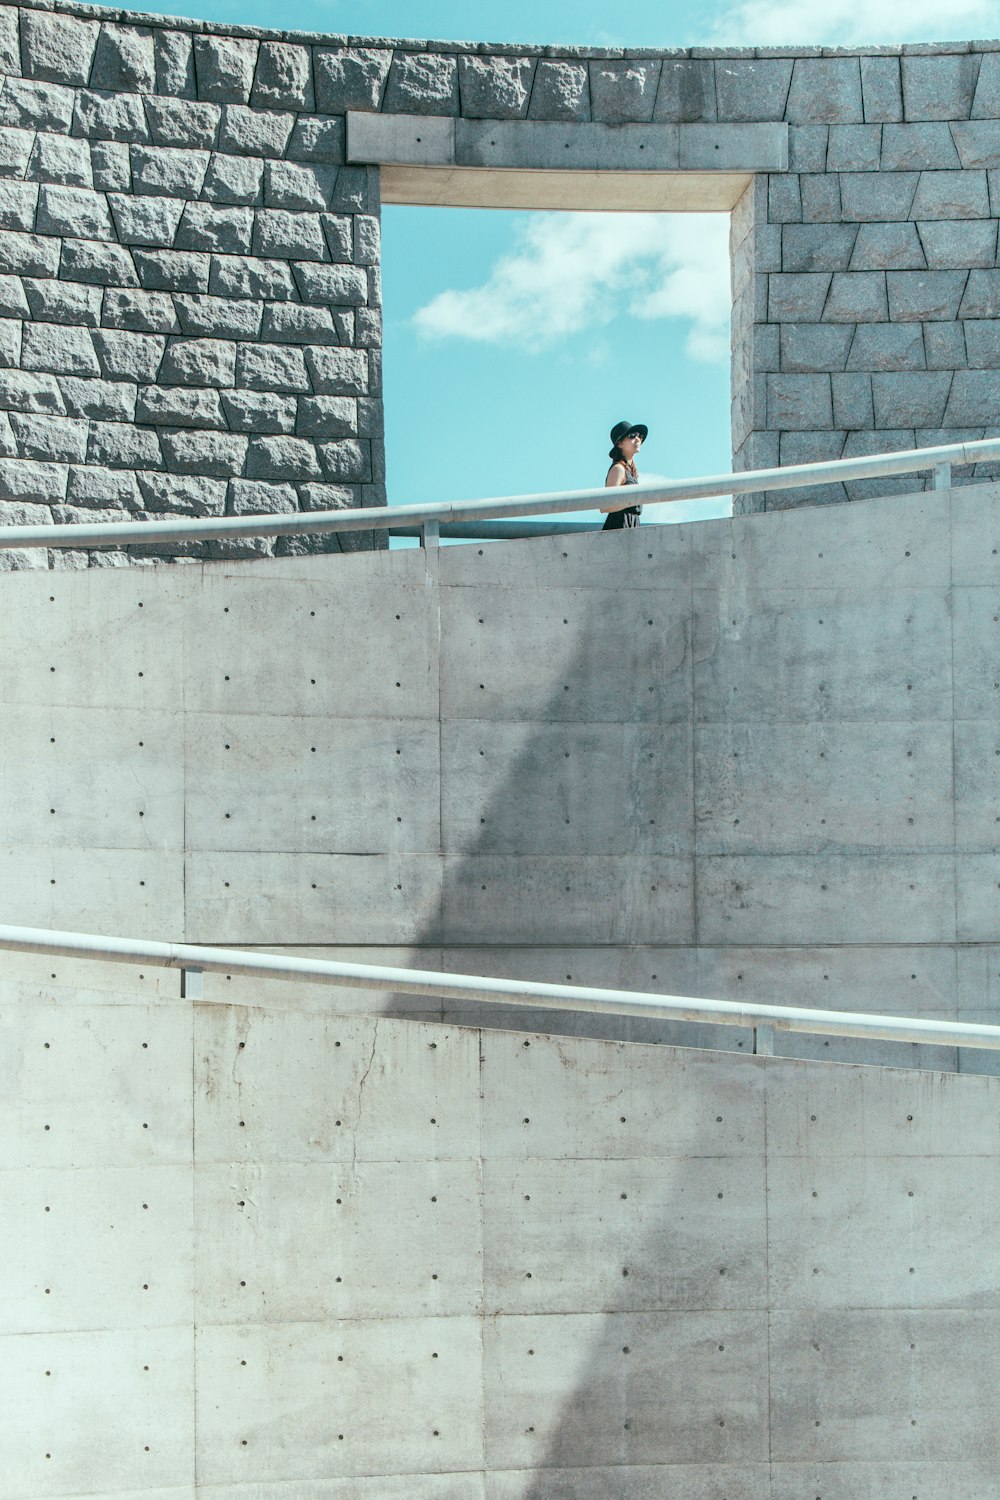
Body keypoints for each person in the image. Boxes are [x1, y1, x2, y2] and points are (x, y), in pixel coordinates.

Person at [600, 420, 648, 530]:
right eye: (632, 436)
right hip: (618, 528)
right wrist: (632, 501)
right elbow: (605, 506)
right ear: (619, 443)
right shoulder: (618, 469)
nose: (638, 439)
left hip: (631, 527)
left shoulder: (632, 471)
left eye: (639, 436)